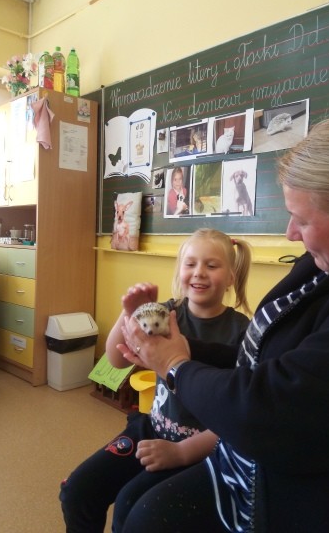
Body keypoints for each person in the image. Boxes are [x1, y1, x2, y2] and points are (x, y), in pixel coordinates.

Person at [118, 115, 329, 533]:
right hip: (244, 453)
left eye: (302, 220)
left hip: (294, 489)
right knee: (133, 505)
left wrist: (175, 366)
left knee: (147, 519)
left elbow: (272, 407)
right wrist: (183, 348)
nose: (291, 233)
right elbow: (262, 359)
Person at [59, 228, 252, 533]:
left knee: (130, 508)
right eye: (190, 264)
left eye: (212, 265)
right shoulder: (166, 313)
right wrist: (129, 314)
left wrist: (181, 452)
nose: (199, 272)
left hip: (200, 450)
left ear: (231, 276)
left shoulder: (242, 333)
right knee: (77, 491)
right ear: (179, 271)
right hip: (152, 429)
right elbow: (117, 359)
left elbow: (236, 416)